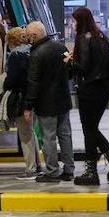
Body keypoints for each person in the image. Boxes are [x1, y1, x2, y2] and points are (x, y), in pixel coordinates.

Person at [65, 7, 109, 186]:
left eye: (74, 21)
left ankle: (92, 172)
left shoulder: (84, 39)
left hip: (89, 90)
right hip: (102, 90)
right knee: (92, 129)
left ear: (81, 21)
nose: (72, 24)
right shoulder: (101, 37)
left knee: (89, 130)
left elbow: (84, 68)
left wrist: (69, 61)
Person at [23, 20, 74, 183]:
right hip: (64, 101)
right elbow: (71, 73)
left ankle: (52, 172)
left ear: (35, 35)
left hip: (46, 104)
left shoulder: (36, 54)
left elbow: (33, 82)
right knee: (65, 135)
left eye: (29, 35)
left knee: (49, 138)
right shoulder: (61, 48)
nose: (27, 38)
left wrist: (28, 106)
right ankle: (69, 170)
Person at [3, 26, 40, 181]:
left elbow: (13, 80)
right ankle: (37, 166)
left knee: (25, 136)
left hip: (22, 99)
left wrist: (3, 83)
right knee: (31, 133)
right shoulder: (33, 51)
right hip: (35, 97)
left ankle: (31, 169)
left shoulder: (16, 55)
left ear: (12, 41)